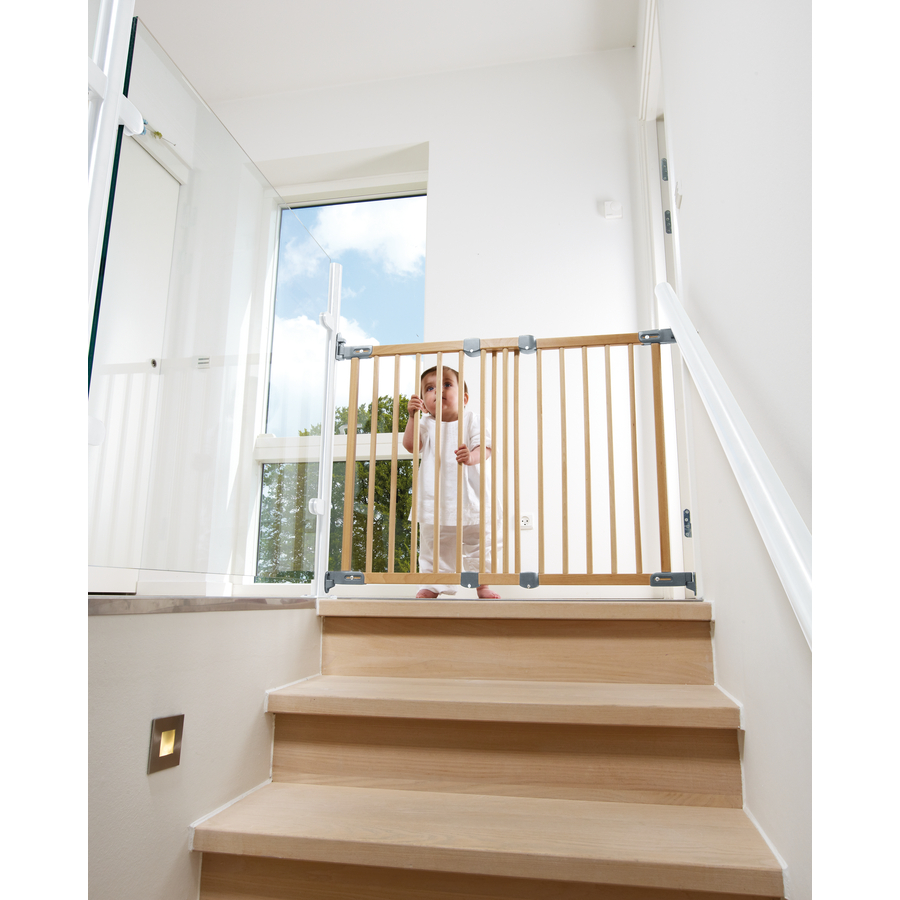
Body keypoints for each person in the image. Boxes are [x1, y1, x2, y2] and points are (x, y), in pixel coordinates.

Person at [403, 365, 500, 599]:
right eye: (429, 388)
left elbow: (485, 448)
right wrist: (412, 417)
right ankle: (432, 584)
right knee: (434, 543)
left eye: (446, 384)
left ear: (464, 398)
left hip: (471, 495)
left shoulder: (472, 419)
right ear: (423, 402)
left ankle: (482, 583)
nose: (438, 391)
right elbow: (411, 446)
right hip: (434, 497)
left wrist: (471, 457)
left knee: (480, 541)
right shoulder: (424, 423)